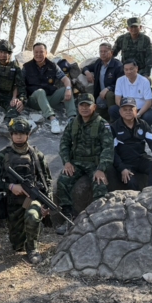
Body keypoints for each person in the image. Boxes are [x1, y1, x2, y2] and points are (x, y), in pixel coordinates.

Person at [0, 117, 52, 264]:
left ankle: (33, 248)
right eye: (16, 133)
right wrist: (11, 187)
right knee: (17, 246)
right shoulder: (3, 155)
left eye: (22, 133)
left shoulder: (36, 155)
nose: (19, 136)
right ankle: (24, 236)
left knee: (32, 216)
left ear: (28, 135)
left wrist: (47, 203)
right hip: (13, 203)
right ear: (11, 134)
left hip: (33, 199)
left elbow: (47, 181)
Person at [56, 93, 113, 235]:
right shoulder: (73, 123)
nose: (85, 108)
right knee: (62, 181)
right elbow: (64, 143)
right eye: (82, 105)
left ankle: (99, 220)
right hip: (76, 162)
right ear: (78, 107)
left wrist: (101, 168)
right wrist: (67, 162)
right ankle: (68, 218)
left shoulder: (102, 124)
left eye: (88, 105)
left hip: (95, 163)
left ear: (94, 107)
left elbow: (108, 148)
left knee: (100, 185)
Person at [22, 42, 76, 134]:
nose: (38, 54)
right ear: (33, 53)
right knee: (40, 91)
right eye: (36, 52)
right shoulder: (26, 67)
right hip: (34, 100)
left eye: (41, 52)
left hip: (49, 98)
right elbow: (19, 84)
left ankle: (72, 119)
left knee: (66, 89)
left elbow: (65, 79)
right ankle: (53, 120)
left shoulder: (53, 66)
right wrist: (20, 99)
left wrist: (68, 89)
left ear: (46, 53)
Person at [112, 97, 152, 191]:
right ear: (120, 112)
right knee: (131, 182)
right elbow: (112, 151)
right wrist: (122, 168)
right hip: (125, 162)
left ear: (136, 111)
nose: (128, 112)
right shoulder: (114, 127)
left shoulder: (143, 124)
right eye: (125, 109)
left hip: (141, 158)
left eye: (131, 109)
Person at [81, 42, 124, 120]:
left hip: (114, 97)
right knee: (94, 118)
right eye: (101, 51)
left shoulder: (118, 66)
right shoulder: (99, 63)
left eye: (105, 51)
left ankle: (113, 121)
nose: (103, 53)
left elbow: (121, 84)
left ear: (111, 52)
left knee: (109, 94)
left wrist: (108, 88)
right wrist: (87, 73)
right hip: (100, 97)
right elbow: (85, 68)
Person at [109, 59, 152, 127]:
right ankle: (124, 126)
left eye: (131, 69)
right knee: (112, 110)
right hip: (126, 108)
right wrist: (126, 111)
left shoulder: (144, 81)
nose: (129, 72)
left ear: (136, 68)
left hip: (141, 109)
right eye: (126, 70)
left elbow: (148, 102)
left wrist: (138, 114)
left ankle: (141, 127)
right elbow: (117, 99)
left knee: (148, 117)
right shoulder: (120, 80)